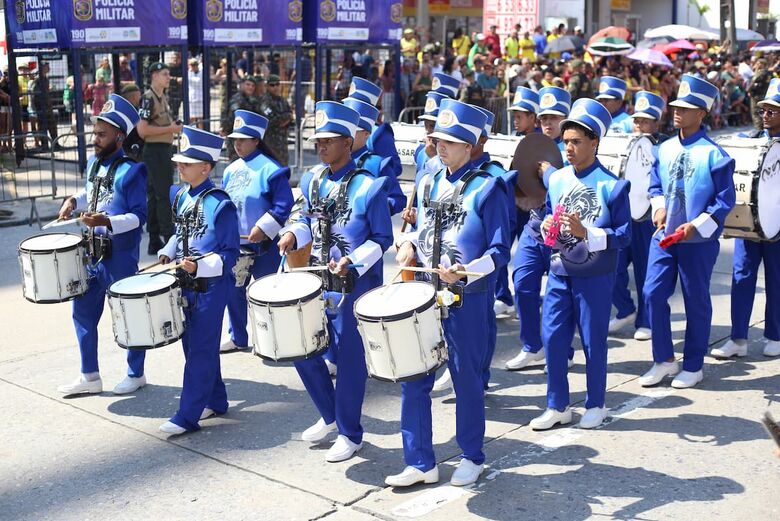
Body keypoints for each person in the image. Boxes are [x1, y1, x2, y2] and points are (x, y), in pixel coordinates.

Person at [392, 99, 510, 487]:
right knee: (415, 376)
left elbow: (499, 251)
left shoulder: (490, 186)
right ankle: (420, 461)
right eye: (439, 139)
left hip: (466, 297)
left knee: (465, 378)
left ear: (472, 144)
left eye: (451, 140)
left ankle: (472, 456)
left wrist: (465, 272)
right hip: (424, 293)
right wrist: (407, 242)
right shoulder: (427, 180)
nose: (441, 146)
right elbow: (423, 230)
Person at [277, 101, 393, 463]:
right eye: (318, 142)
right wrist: (292, 236)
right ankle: (330, 415)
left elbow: (381, 239)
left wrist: (353, 261)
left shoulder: (369, 186)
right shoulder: (312, 179)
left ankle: (349, 432)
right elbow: (303, 219)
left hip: (353, 284)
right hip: (315, 279)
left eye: (329, 141)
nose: (322, 147)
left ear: (348, 142)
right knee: (302, 347)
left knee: (349, 360)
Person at [530, 98, 631, 430]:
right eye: (565, 141)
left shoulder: (613, 186)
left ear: (594, 143)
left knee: (592, 341)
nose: (568, 147)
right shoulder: (557, 179)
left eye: (575, 141)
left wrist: (588, 232)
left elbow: (624, 234)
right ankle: (557, 404)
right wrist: (545, 226)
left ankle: (596, 403)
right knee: (553, 337)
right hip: (559, 270)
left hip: (596, 275)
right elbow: (549, 214)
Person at [640, 74, 736, 389]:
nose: (678, 111)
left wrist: (694, 225)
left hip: (697, 240)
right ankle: (664, 359)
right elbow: (655, 186)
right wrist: (658, 208)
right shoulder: (663, 148)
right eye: (677, 105)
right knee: (652, 293)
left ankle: (693, 364)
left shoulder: (716, 155)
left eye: (687, 107)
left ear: (702, 114)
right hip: (664, 236)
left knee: (696, 300)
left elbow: (724, 202)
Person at [56, 94, 149, 396]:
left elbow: (139, 217)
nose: (95, 139)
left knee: (126, 313)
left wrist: (106, 222)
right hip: (90, 252)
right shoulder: (94, 163)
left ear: (119, 137)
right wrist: (74, 201)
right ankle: (90, 375)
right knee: (81, 311)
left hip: (119, 255)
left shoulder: (132, 170)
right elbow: (92, 196)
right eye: (94, 133)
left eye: (101, 134)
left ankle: (136, 373)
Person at [156, 126, 240, 434]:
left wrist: (198, 268)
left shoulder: (221, 204)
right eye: (179, 161)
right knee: (192, 345)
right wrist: (167, 251)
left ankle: (187, 415)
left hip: (212, 287)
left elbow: (231, 254)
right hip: (186, 283)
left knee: (201, 349)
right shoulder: (182, 197)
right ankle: (216, 399)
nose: (180, 166)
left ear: (205, 167)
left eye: (187, 163)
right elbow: (181, 235)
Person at [505, 87, 576, 371]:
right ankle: (532, 346)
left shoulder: (573, 147)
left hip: (563, 232)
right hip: (535, 226)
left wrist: (549, 173)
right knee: (522, 284)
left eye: (554, 117)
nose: (547, 123)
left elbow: (570, 186)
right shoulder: (530, 144)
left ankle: (561, 351)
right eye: (544, 117)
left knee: (562, 294)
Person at [712, 78, 780, 359]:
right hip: (750, 223)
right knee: (741, 276)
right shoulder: (751, 141)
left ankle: (775, 335)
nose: (765, 115)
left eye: (772, 111)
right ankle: (738, 337)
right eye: (763, 110)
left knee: (776, 279)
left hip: (777, 225)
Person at [219, 110, 294, 353]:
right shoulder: (230, 169)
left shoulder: (271, 169)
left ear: (256, 140)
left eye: (242, 139)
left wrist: (264, 227)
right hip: (237, 244)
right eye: (234, 139)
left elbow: (284, 204)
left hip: (265, 245)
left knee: (266, 294)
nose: (237, 144)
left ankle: (271, 341)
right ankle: (238, 337)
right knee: (234, 292)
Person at [609, 91, 668, 342]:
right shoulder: (625, 143)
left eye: (645, 121)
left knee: (646, 272)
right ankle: (625, 309)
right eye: (636, 121)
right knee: (612, 268)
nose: (639, 126)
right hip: (624, 217)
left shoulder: (664, 147)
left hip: (647, 220)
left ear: (656, 124)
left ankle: (646, 321)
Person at [138, 62, 183, 255]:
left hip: (162, 150)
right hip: (155, 151)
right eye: (164, 74)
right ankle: (167, 237)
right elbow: (143, 130)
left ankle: (154, 239)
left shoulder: (161, 96)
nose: (168, 77)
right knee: (163, 195)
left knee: (156, 197)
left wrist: (172, 126)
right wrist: (170, 129)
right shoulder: (148, 98)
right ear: (154, 75)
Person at [342, 97, 407, 215]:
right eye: (345, 131)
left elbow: (398, 200)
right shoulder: (333, 160)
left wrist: (379, 205)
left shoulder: (376, 164)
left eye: (353, 131)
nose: (348, 136)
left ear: (366, 133)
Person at [258, 74, 293, 166]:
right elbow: (270, 120)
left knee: (283, 167)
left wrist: (285, 118)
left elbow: (290, 117)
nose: (275, 87)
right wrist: (285, 117)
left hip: (282, 142)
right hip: (270, 142)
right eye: (272, 85)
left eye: (277, 84)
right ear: (267, 87)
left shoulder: (282, 101)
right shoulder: (265, 101)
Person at [119, 84, 144, 162]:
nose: (140, 98)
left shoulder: (121, 110)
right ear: (134, 97)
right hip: (132, 151)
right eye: (139, 95)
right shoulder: (133, 112)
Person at [187, 58, 204, 128]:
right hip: (191, 98)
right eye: (191, 65)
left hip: (200, 98)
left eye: (194, 65)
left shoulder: (201, 73)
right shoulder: (188, 73)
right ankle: (192, 132)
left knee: (200, 118)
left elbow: (198, 81)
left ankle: (201, 132)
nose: (193, 66)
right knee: (191, 118)